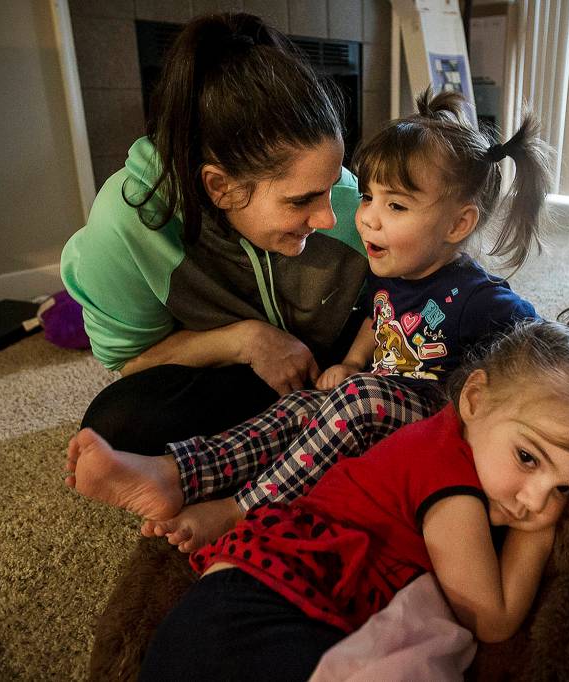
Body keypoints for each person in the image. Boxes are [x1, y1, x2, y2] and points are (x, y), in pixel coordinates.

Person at [65, 88, 555, 552]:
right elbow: (377, 320)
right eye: (368, 197)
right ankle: (180, 473)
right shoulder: (395, 271)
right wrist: (352, 360)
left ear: (458, 225)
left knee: (357, 400)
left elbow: (543, 347)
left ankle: (239, 509)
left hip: (437, 421)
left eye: (396, 206)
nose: (366, 219)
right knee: (305, 405)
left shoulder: (477, 297)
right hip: (381, 398)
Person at [71, 305, 569, 681]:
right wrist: (536, 536)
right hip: (274, 604)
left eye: (565, 488)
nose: (539, 499)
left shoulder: (450, 441)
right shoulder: (451, 482)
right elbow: (490, 619)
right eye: (528, 459)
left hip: (244, 592)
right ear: (473, 400)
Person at [59, 13, 370, 457]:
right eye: (301, 201)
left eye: (332, 183)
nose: (328, 217)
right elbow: (132, 360)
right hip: (231, 371)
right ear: (221, 187)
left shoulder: (338, 197)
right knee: (114, 429)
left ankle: (264, 455)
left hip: (336, 362)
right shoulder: (127, 222)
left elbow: (413, 289)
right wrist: (247, 341)